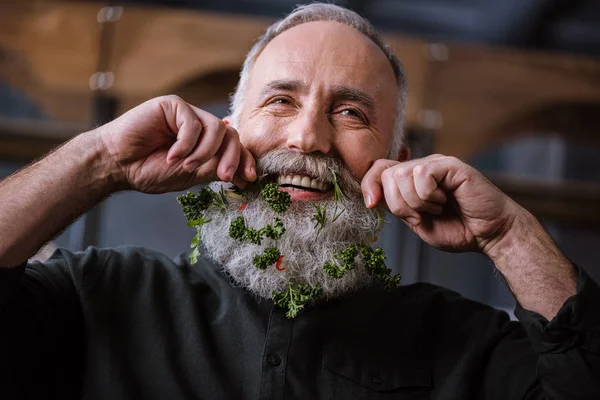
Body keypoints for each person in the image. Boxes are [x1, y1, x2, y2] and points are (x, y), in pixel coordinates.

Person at [1, 3, 598, 399]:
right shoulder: (99, 295)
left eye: (351, 112)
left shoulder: (466, 347)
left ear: (399, 158)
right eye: (280, 102)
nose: (308, 138)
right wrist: (99, 159)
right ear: (230, 129)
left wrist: (511, 236)